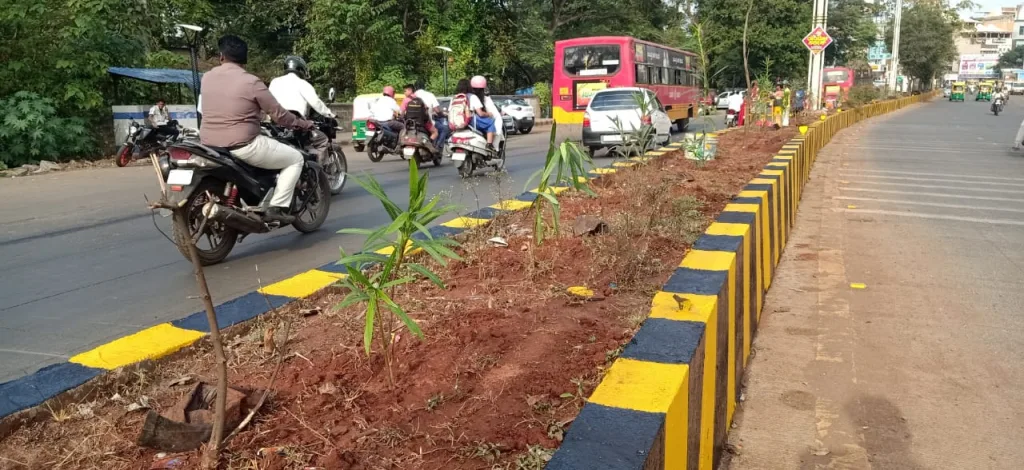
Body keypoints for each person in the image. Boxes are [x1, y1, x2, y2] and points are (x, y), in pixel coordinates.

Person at [199, 35, 313, 224]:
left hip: (209, 144)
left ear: (221, 57)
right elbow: (279, 115)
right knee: (295, 159)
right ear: (245, 59)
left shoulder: (207, 78)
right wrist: (303, 123)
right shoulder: (252, 82)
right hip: (243, 145)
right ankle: (277, 208)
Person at [268, 55, 335, 162]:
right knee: (323, 140)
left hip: (275, 125)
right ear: (300, 69)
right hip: (296, 124)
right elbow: (316, 103)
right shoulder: (303, 83)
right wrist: (329, 114)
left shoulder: (274, 82)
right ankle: (320, 173)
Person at [467, 76, 497, 149]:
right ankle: (489, 144)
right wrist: (488, 114)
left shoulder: (458, 96)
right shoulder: (473, 97)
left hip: (460, 120)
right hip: (472, 120)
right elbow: (480, 113)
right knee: (491, 122)